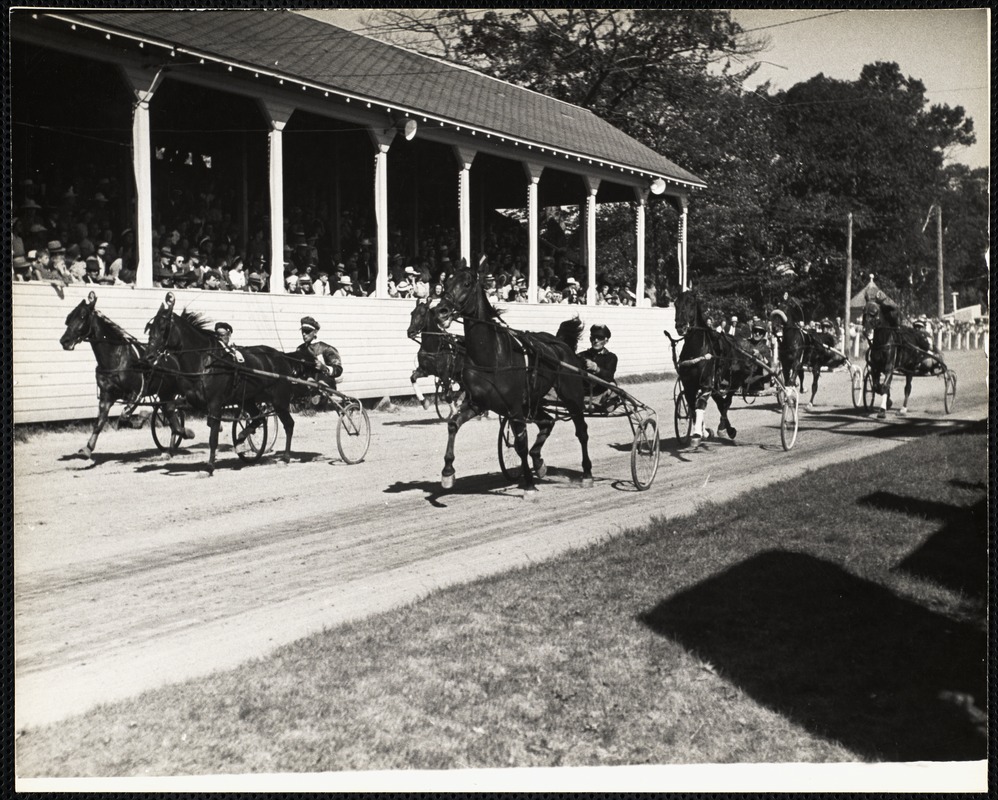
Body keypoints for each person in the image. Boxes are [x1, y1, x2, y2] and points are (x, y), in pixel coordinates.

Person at [296, 316, 343, 394]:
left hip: (324, 384)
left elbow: (338, 369)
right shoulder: (300, 349)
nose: (304, 334)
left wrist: (324, 368)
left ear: (314, 332)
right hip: (305, 384)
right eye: (302, 331)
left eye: (307, 331)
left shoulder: (326, 348)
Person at [577, 323, 619, 411]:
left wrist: (596, 368)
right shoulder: (581, 356)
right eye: (593, 338)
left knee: (612, 386)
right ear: (590, 339)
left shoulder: (611, 357)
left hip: (601, 392)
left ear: (606, 341)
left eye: (600, 338)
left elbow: (609, 376)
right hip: (584, 393)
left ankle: (603, 402)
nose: (596, 341)